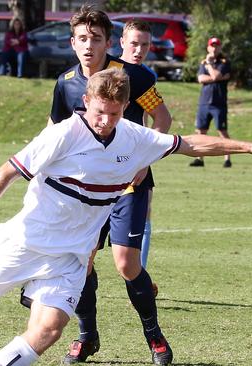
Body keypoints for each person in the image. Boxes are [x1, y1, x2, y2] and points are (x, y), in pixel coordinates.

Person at [0, 67, 252, 366]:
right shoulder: (63, 134)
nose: (105, 121)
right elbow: (5, 173)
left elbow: (190, 144)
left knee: (49, 330)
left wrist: (247, 147)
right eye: (99, 112)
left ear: (125, 107)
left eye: (113, 114)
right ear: (86, 102)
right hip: (27, 242)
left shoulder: (134, 137)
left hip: (71, 258)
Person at [49, 6, 175, 365]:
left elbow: (162, 118)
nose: (89, 47)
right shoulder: (65, 82)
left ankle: (154, 337)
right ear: (73, 42)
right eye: (82, 39)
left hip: (129, 186)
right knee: (83, 262)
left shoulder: (136, 76)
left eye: (96, 39)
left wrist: (143, 160)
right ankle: (87, 337)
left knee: (126, 264)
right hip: (86, 190)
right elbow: (54, 132)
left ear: (109, 42)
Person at [119, 18, 157, 271]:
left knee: (146, 211)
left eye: (144, 45)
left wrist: (145, 159)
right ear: (122, 42)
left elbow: (155, 117)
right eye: (134, 43)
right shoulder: (109, 69)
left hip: (136, 157)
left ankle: (139, 274)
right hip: (105, 157)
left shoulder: (146, 76)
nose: (138, 50)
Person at [189, 37, 232, 168]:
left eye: (216, 46)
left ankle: (227, 159)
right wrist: (214, 76)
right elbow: (201, 78)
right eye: (212, 46)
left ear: (220, 48)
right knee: (201, 131)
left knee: (222, 131)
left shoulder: (224, 63)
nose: (214, 48)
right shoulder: (203, 62)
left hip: (218, 103)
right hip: (204, 102)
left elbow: (215, 76)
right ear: (208, 48)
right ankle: (199, 158)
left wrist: (209, 66)